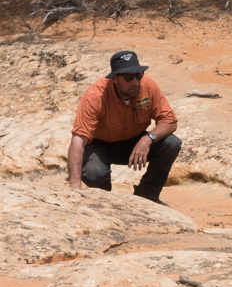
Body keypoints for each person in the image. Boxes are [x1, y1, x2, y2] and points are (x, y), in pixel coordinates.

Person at [68, 50, 182, 202]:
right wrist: (75, 186)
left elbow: (170, 120)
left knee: (172, 143)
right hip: (100, 145)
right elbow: (78, 139)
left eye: (138, 75)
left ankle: (147, 195)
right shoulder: (96, 95)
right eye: (128, 77)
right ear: (114, 78)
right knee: (94, 172)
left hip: (134, 141)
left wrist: (147, 139)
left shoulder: (148, 86)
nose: (135, 82)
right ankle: (105, 203)